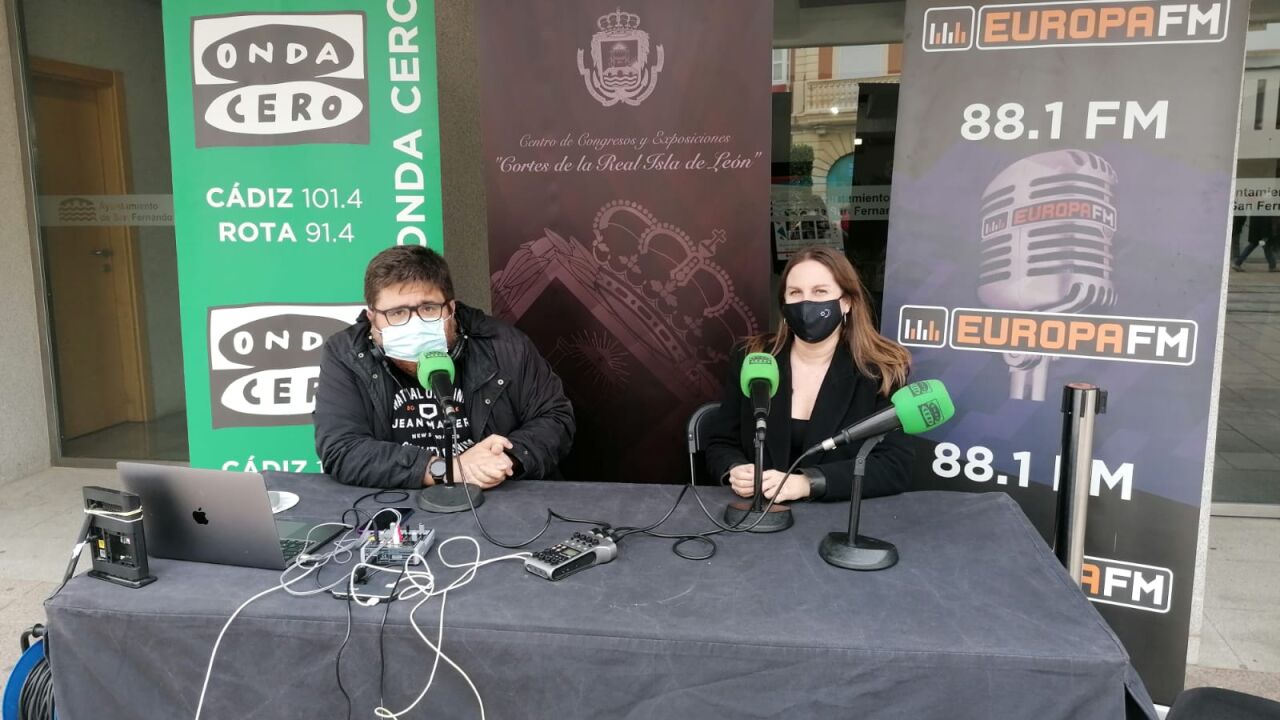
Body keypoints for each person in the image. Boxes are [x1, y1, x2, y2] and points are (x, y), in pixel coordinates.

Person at [314, 245, 575, 489]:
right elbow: (342, 449)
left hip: (499, 499)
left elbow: (555, 418)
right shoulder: (346, 355)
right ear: (372, 318)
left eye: (428, 308)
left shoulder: (504, 345)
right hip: (400, 506)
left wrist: (506, 458)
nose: (414, 324)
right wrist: (448, 469)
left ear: (451, 308)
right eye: (397, 313)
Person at [705, 246, 914, 503]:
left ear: (846, 302)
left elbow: (895, 465)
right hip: (756, 512)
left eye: (820, 291)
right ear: (784, 304)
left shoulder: (882, 369)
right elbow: (721, 441)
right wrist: (734, 468)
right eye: (795, 293)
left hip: (838, 515)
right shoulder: (752, 356)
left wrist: (809, 483)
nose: (806, 303)